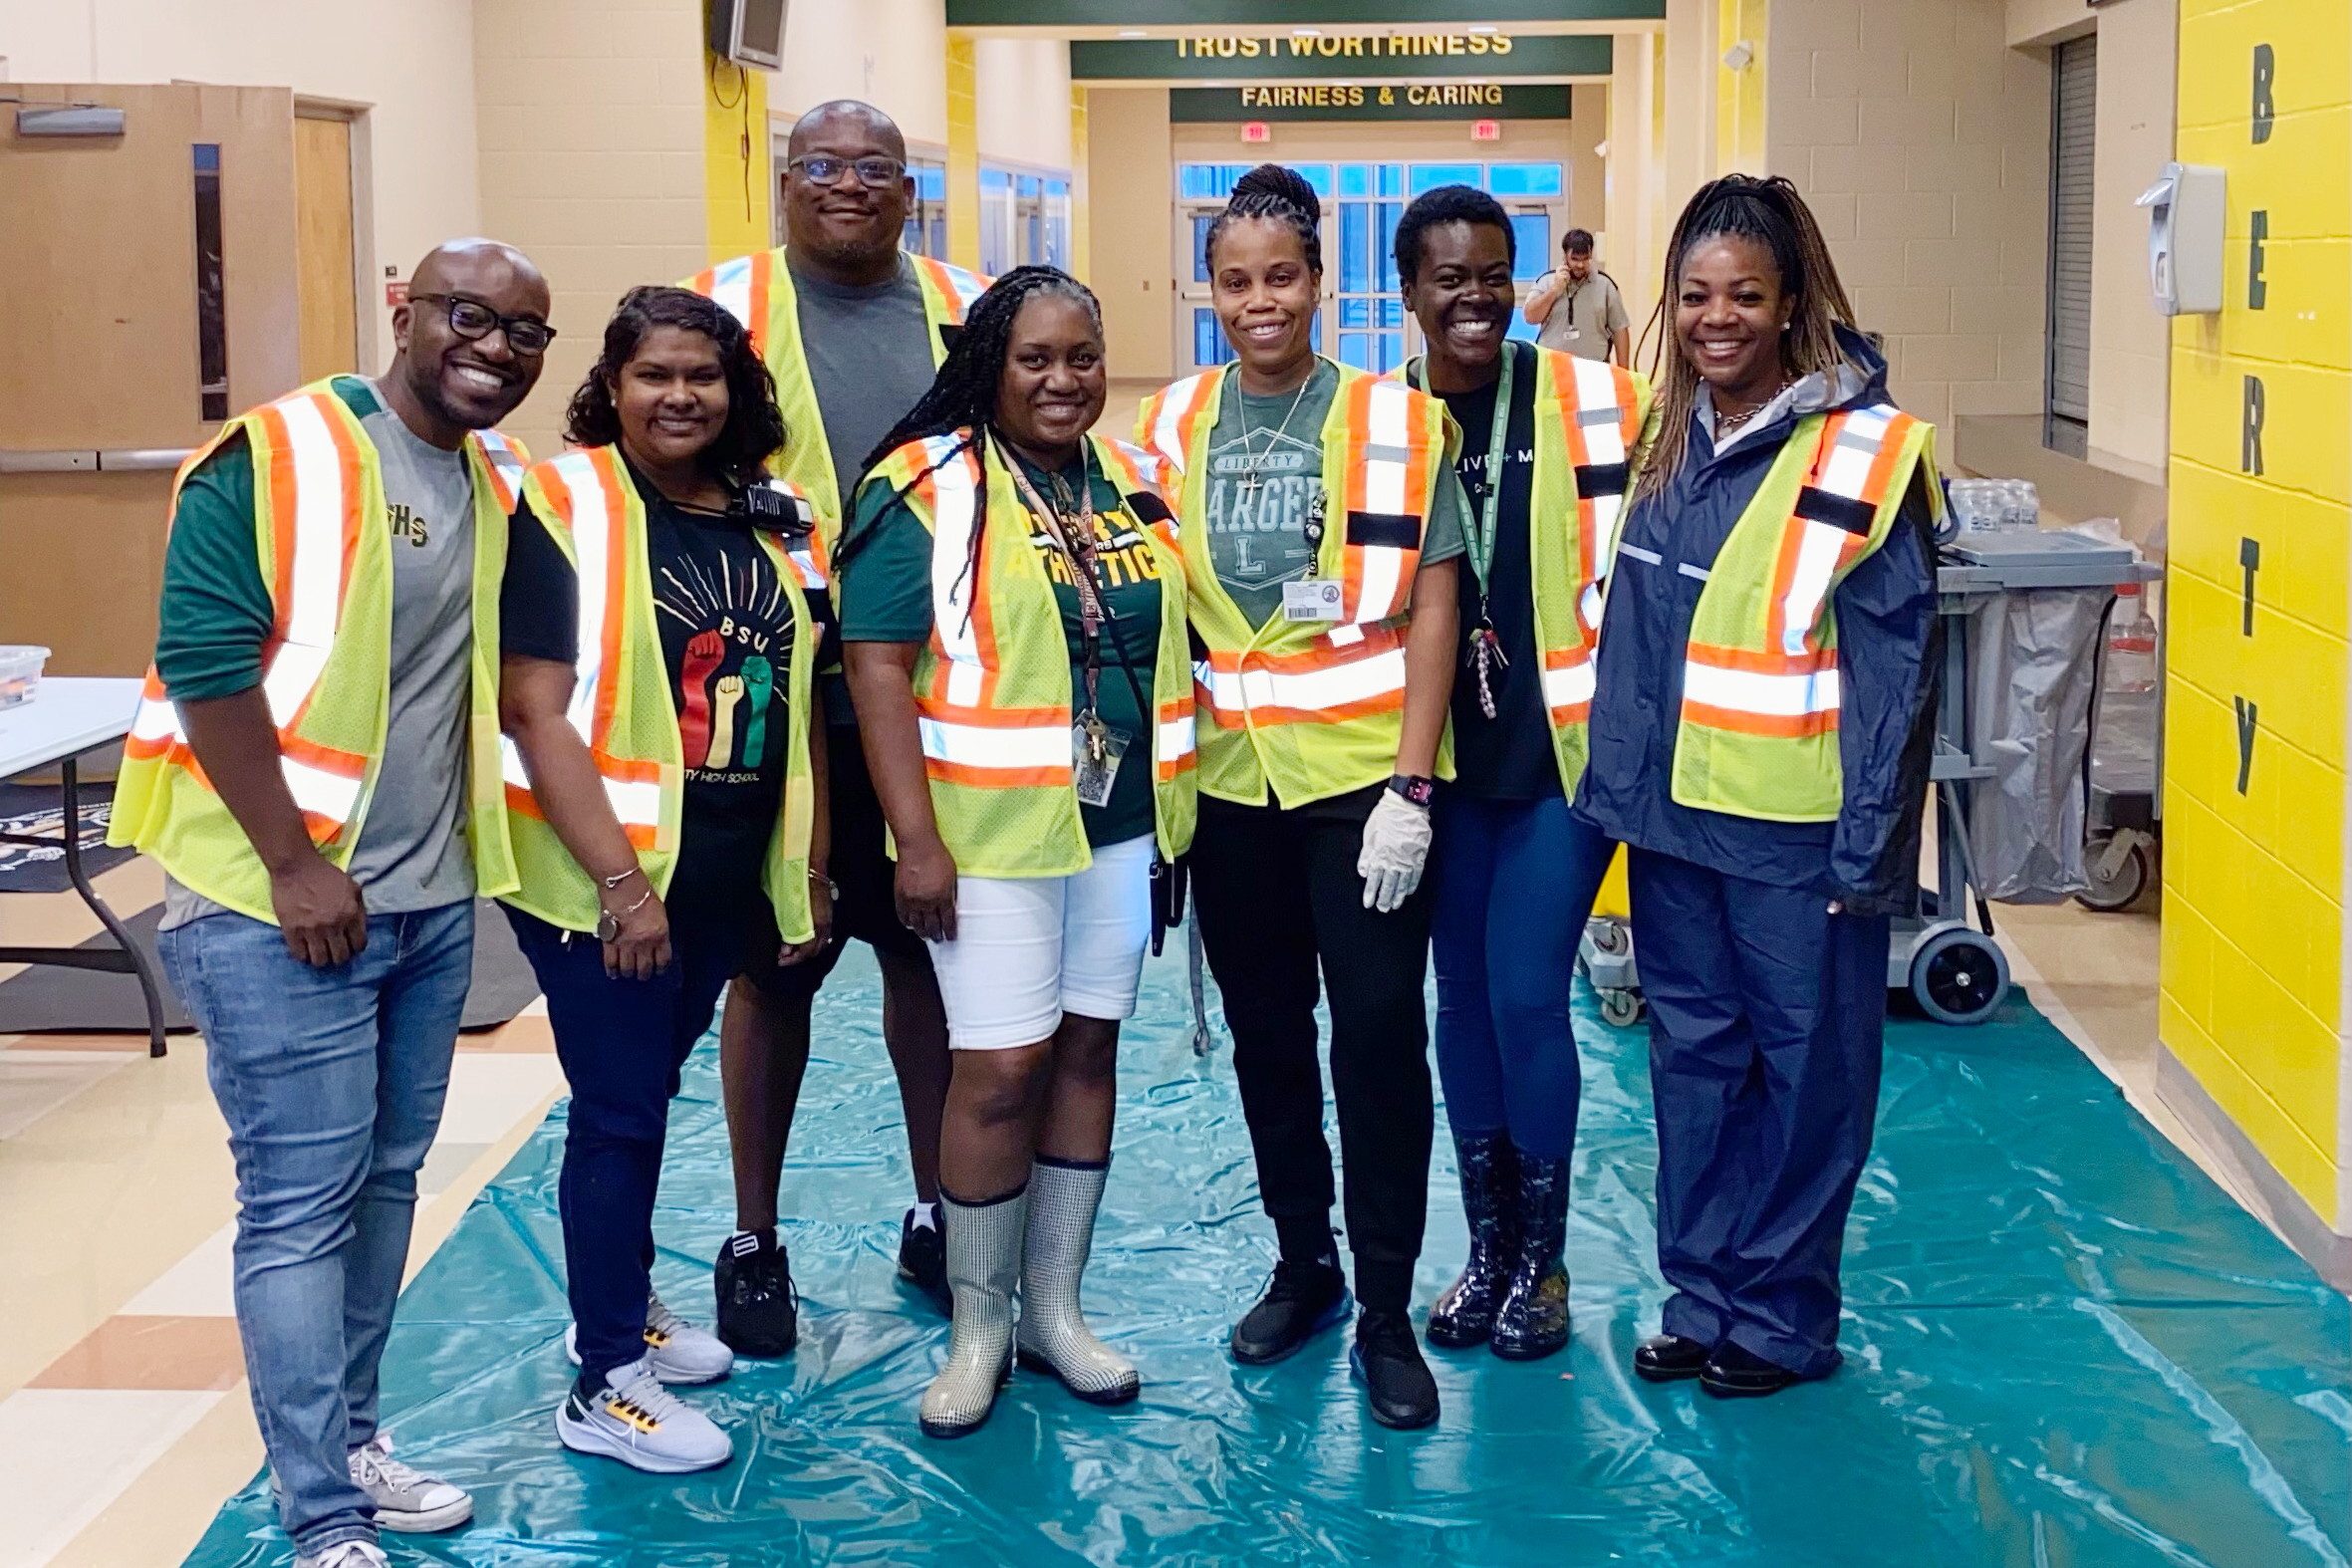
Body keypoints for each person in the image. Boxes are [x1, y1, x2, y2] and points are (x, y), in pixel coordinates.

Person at [109, 240, 551, 1568]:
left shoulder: (492, 479)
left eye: (528, 331)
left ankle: (355, 1436)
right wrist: (296, 864)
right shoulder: (277, 454)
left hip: (420, 901)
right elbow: (201, 659)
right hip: (269, 902)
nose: (497, 347)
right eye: (471, 316)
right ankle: (321, 1512)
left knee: (386, 1181)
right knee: (300, 1203)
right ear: (405, 312)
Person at [1577, 174, 1940, 1399]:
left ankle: (1781, 1318)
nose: (1715, 317)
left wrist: (1869, 854)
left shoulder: (1866, 453)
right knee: (1692, 1063)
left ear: (1793, 305)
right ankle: (1705, 1291)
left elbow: (1896, 676)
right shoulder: (1668, 436)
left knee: (1807, 1078)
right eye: (1694, 295)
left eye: (1744, 295)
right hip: (1676, 826)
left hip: (1797, 839)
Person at [838, 266, 1196, 1438]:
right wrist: (917, 841)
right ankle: (978, 1326)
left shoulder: (1134, 480)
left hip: (1118, 825)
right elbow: (877, 665)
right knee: (998, 1069)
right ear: (990, 363)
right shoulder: (925, 485)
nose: (1062, 379)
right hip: (986, 834)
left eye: (1082, 356)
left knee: (1089, 1047)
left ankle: (1054, 1309)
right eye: (1034, 357)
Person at [1137, 164, 1465, 1432]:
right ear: (1205, 287)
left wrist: (1414, 785)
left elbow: (1435, 601)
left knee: (1379, 1036)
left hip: (1358, 784)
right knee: (1269, 1035)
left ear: (1321, 283)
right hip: (1228, 783)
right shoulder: (1167, 427)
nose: (1259, 301)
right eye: (1236, 280)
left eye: (1283, 276)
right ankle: (1306, 1263)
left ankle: (1387, 1306)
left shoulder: (1395, 419)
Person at [497, 286, 827, 1471]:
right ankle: (603, 1379)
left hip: (726, 865)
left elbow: (800, 705)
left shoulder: (770, 514)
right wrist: (620, 884)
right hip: (609, 880)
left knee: (648, 1090)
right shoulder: (566, 502)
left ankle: (623, 1301)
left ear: (736, 389)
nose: (679, 396)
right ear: (613, 384)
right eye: (654, 375)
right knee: (621, 1111)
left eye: (703, 375)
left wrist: (807, 867)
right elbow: (532, 706)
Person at [683, 99, 990, 1351]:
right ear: (784, 185)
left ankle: (936, 1210)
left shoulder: (969, 305)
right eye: (822, 165)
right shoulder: (719, 303)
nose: (849, 185)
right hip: (774, 682)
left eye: (876, 168)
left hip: (930, 681)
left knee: (925, 948)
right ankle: (754, 1235)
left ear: (912, 190)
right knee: (778, 964)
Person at [1390, 187, 1652, 1362]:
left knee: (1524, 992)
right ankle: (1487, 1247)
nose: (1476, 296)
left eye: (1495, 273)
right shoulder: (1379, 420)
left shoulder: (1594, 401)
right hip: (1433, 765)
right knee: (1461, 1005)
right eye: (1449, 277)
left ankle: (1540, 1262)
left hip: (1558, 755)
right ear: (1407, 292)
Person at [1523, 229, 1632, 366]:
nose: (1580, 265)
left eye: (1585, 259)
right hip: (1553, 368)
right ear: (1565, 257)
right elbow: (1530, 317)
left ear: (1591, 255)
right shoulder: (1546, 281)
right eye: (1574, 259)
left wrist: (1625, 372)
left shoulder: (1605, 285)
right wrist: (1555, 290)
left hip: (1594, 367)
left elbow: (1620, 329)